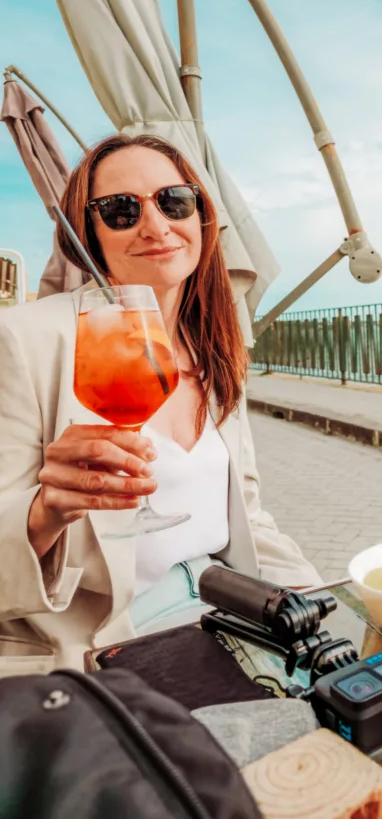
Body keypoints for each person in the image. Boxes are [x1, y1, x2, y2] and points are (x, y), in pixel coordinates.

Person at [0, 133, 322, 673]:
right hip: (101, 646)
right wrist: (45, 511)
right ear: (89, 235)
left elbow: (249, 518)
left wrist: (326, 597)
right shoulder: (23, 339)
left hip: (221, 603)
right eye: (121, 211)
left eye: (174, 201)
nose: (156, 226)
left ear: (200, 216)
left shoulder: (216, 352)